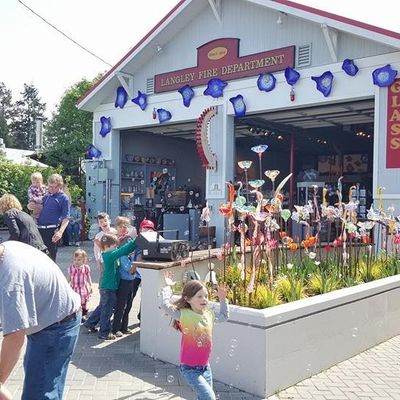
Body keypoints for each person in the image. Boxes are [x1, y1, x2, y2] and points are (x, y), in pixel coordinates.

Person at [0, 240, 81, 400]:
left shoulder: (10, 280)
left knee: (39, 393)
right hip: (50, 320)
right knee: (38, 382)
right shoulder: (7, 248)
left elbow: (15, 337)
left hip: (56, 327)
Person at [161, 272, 229, 400]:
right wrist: (167, 287)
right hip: (190, 369)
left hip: (205, 367)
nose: (204, 299)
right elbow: (165, 305)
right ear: (188, 299)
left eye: (206, 296)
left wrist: (222, 299)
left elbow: (224, 316)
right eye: (199, 296)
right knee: (209, 397)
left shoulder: (209, 314)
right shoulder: (184, 315)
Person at [84, 233, 136, 340]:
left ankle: (90, 323)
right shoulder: (109, 255)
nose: (116, 248)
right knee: (107, 310)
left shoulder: (107, 253)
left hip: (107, 287)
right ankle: (104, 332)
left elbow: (121, 251)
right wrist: (135, 242)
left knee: (103, 307)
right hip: (108, 288)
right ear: (107, 246)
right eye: (114, 246)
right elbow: (122, 251)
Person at [112, 216, 140, 336]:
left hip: (131, 278)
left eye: (126, 226)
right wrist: (133, 267)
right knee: (121, 305)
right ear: (116, 228)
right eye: (121, 226)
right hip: (124, 278)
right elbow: (124, 260)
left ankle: (124, 326)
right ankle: (116, 328)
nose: (124, 228)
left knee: (129, 304)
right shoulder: (119, 242)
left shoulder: (129, 239)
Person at [37, 173, 70, 261]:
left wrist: (60, 232)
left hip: (51, 230)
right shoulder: (45, 196)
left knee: (50, 258)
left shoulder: (63, 198)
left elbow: (66, 217)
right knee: (38, 258)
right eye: (49, 186)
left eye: (53, 187)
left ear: (60, 186)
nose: (50, 189)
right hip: (39, 229)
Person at [67, 249, 92, 321]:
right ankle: (76, 315)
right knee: (75, 302)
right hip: (74, 288)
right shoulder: (71, 268)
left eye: (79, 260)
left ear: (84, 260)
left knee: (83, 302)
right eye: (75, 260)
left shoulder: (86, 268)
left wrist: (90, 285)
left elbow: (88, 276)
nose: (76, 262)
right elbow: (69, 278)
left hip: (83, 288)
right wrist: (66, 285)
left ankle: (83, 315)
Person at [93, 212, 117, 277]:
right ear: (98, 224)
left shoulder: (115, 232)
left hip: (115, 258)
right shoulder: (98, 236)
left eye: (105, 220)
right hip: (104, 260)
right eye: (101, 222)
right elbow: (96, 250)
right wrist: (98, 261)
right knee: (104, 276)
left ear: (109, 221)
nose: (104, 223)